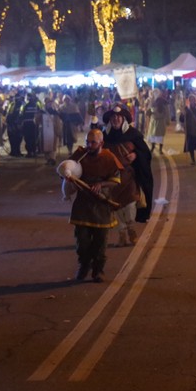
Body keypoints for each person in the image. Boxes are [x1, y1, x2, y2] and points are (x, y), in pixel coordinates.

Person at [62, 128, 129, 282]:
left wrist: (101, 184)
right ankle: (84, 266)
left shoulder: (109, 158)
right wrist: (68, 177)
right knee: (82, 241)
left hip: (101, 203)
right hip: (83, 204)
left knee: (100, 241)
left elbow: (116, 181)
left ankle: (98, 270)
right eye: (88, 142)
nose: (89, 145)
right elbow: (67, 170)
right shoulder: (80, 155)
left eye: (93, 142)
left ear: (101, 143)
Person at [102, 104, 154, 224]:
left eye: (118, 117)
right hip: (111, 176)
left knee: (131, 198)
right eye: (113, 117)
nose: (116, 119)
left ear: (123, 119)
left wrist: (136, 155)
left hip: (129, 175)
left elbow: (145, 153)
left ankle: (133, 220)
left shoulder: (133, 134)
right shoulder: (104, 136)